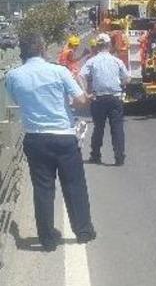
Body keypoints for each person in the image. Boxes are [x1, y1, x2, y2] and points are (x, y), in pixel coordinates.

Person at [5, 34, 96, 251]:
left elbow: (17, 101)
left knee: (43, 188)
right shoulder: (59, 71)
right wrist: (84, 97)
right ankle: (83, 231)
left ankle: (46, 239)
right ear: (43, 49)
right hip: (63, 136)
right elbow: (80, 101)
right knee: (74, 185)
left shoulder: (12, 76)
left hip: (35, 138)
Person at [78, 33, 130, 166]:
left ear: (97, 46)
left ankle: (95, 155)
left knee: (98, 128)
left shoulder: (92, 61)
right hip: (115, 98)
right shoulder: (117, 61)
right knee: (117, 128)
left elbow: (80, 76)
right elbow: (127, 78)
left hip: (98, 98)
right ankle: (119, 157)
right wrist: (121, 84)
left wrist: (86, 92)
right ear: (109, 45)